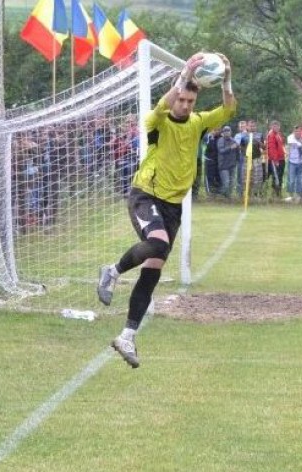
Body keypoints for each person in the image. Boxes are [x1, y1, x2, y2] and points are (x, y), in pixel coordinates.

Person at [97, 53, 237, 368]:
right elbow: (162, 105)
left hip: (173, 206)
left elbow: (228, 109)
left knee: (153, 271)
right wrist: (185, 72)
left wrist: (226, 78)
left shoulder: (200, 123)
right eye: (182, 99)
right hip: (146, 194)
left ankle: (127, 337)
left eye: (190, 100)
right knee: (157, 244)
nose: (185, 105)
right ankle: (113, 271)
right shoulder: (157, 121)